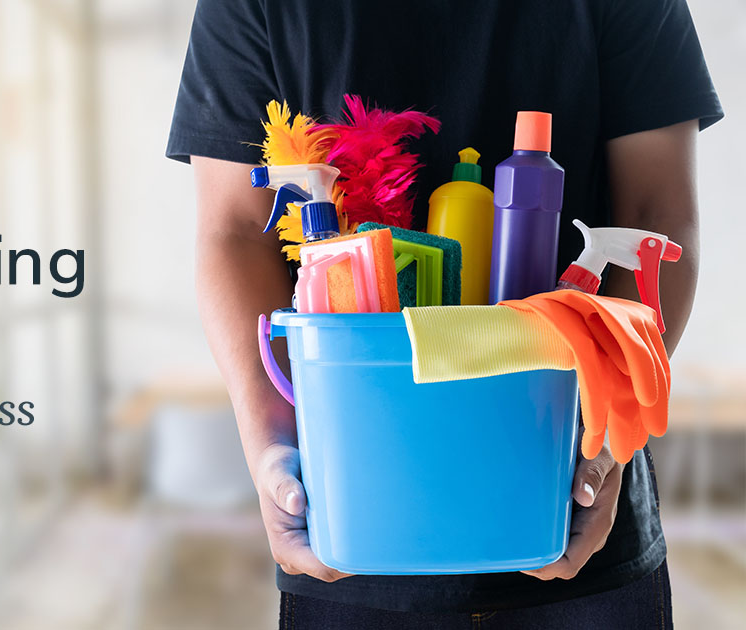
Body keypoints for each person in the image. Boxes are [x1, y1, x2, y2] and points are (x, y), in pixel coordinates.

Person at [166, 1, 722, 627]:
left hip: (573, 509)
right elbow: (238, 232)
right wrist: (272, 446)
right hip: (357, 520)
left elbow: (659, 216)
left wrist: (609, 442)